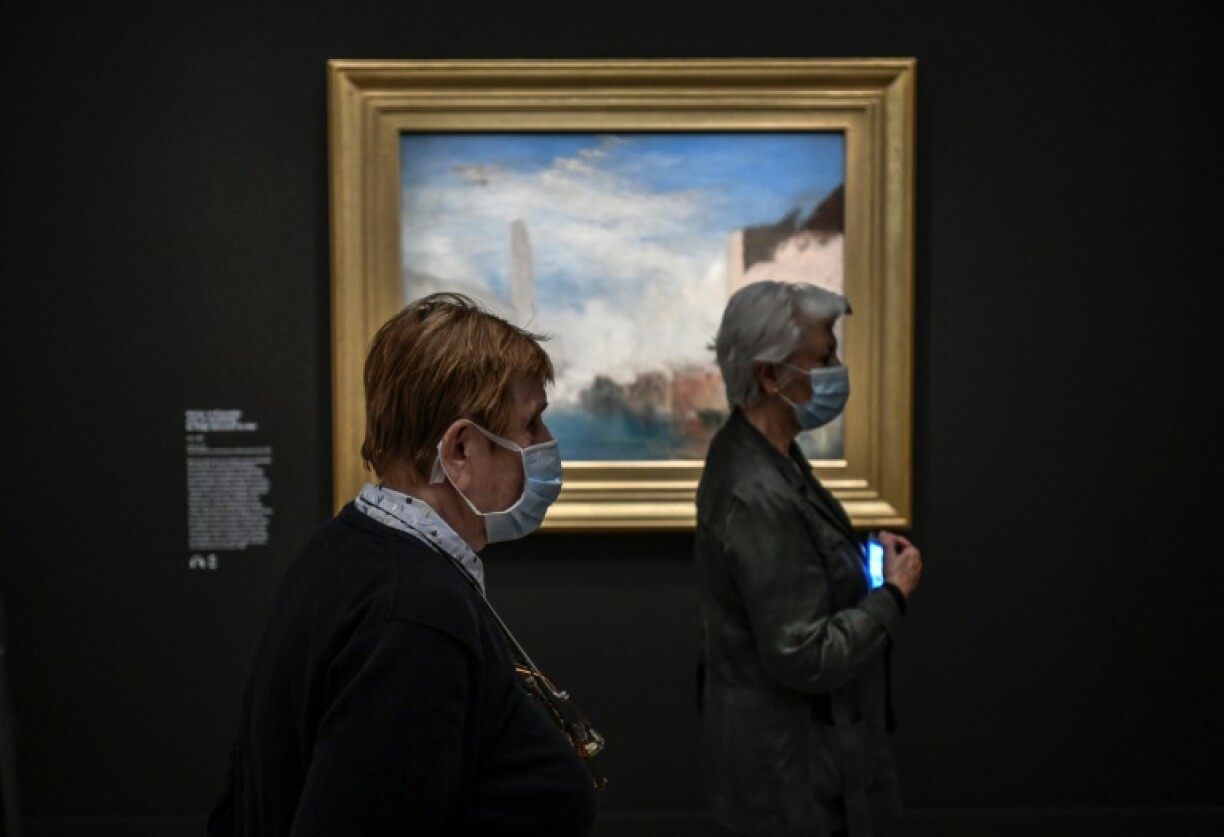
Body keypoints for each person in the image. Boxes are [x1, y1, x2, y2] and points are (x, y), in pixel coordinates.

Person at [208, 292, 601, 836]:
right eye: (531, 425)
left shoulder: (342, 552)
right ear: (460, 450)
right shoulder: (414, 616)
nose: (547, 445)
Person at [695, 280, 923, 837]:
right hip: (791, 779)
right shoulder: (754, 490)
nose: (837, 368)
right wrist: (893, 594)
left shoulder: (773, 457)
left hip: (801, 761)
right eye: (824, 357)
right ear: (770, 375)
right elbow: (805, 655)